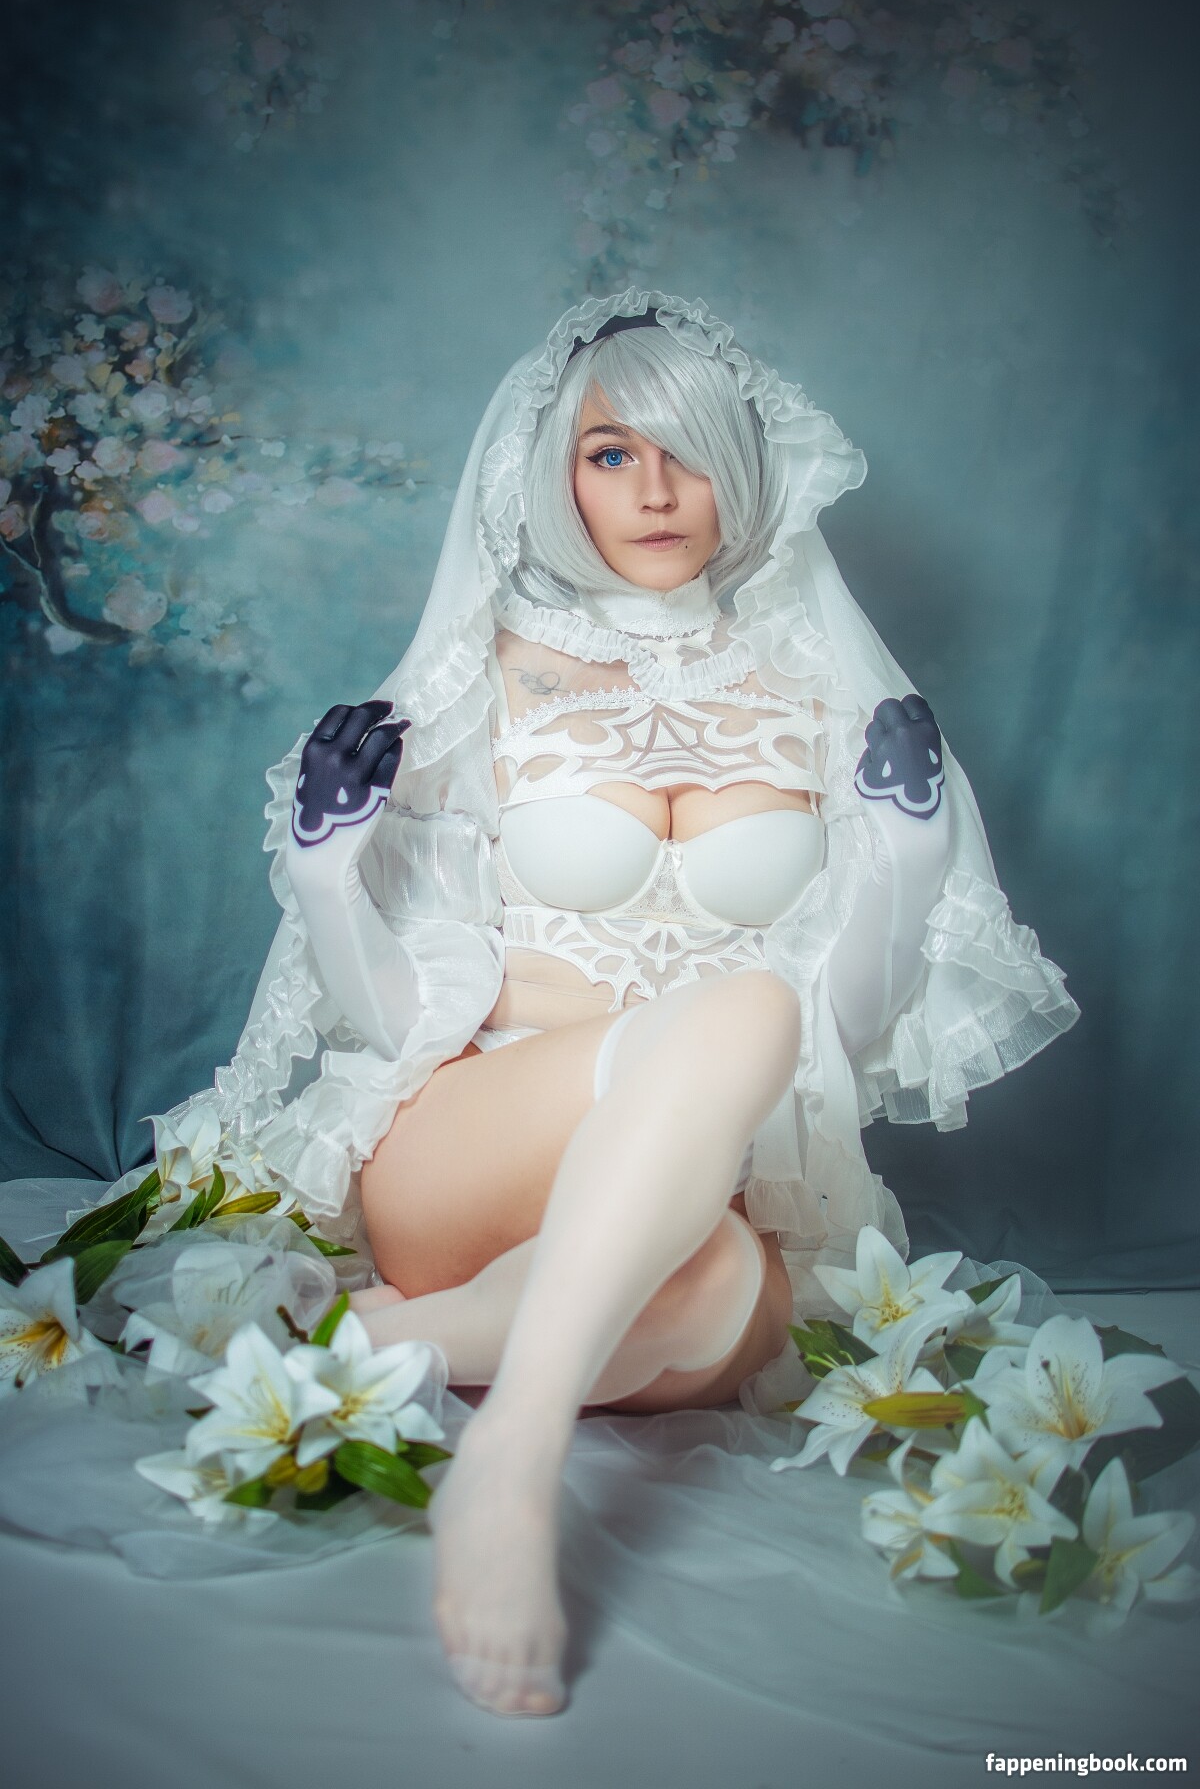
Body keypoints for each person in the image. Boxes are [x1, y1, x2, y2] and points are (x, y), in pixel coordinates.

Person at [263, 292, 1079, 1716]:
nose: (654, 491)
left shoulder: (811, 691)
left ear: (743, 472)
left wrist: (905, 866)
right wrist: (329, 879)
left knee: (720, 1294)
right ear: (557, 475)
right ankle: (515, 1463)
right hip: (473, 1145)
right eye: (611, 454)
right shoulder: (485, 679)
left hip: (692, 1193)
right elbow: (399, 1023)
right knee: (750, 1008)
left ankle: (385, 1347)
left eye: (687, 454)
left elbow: (847, 1039)